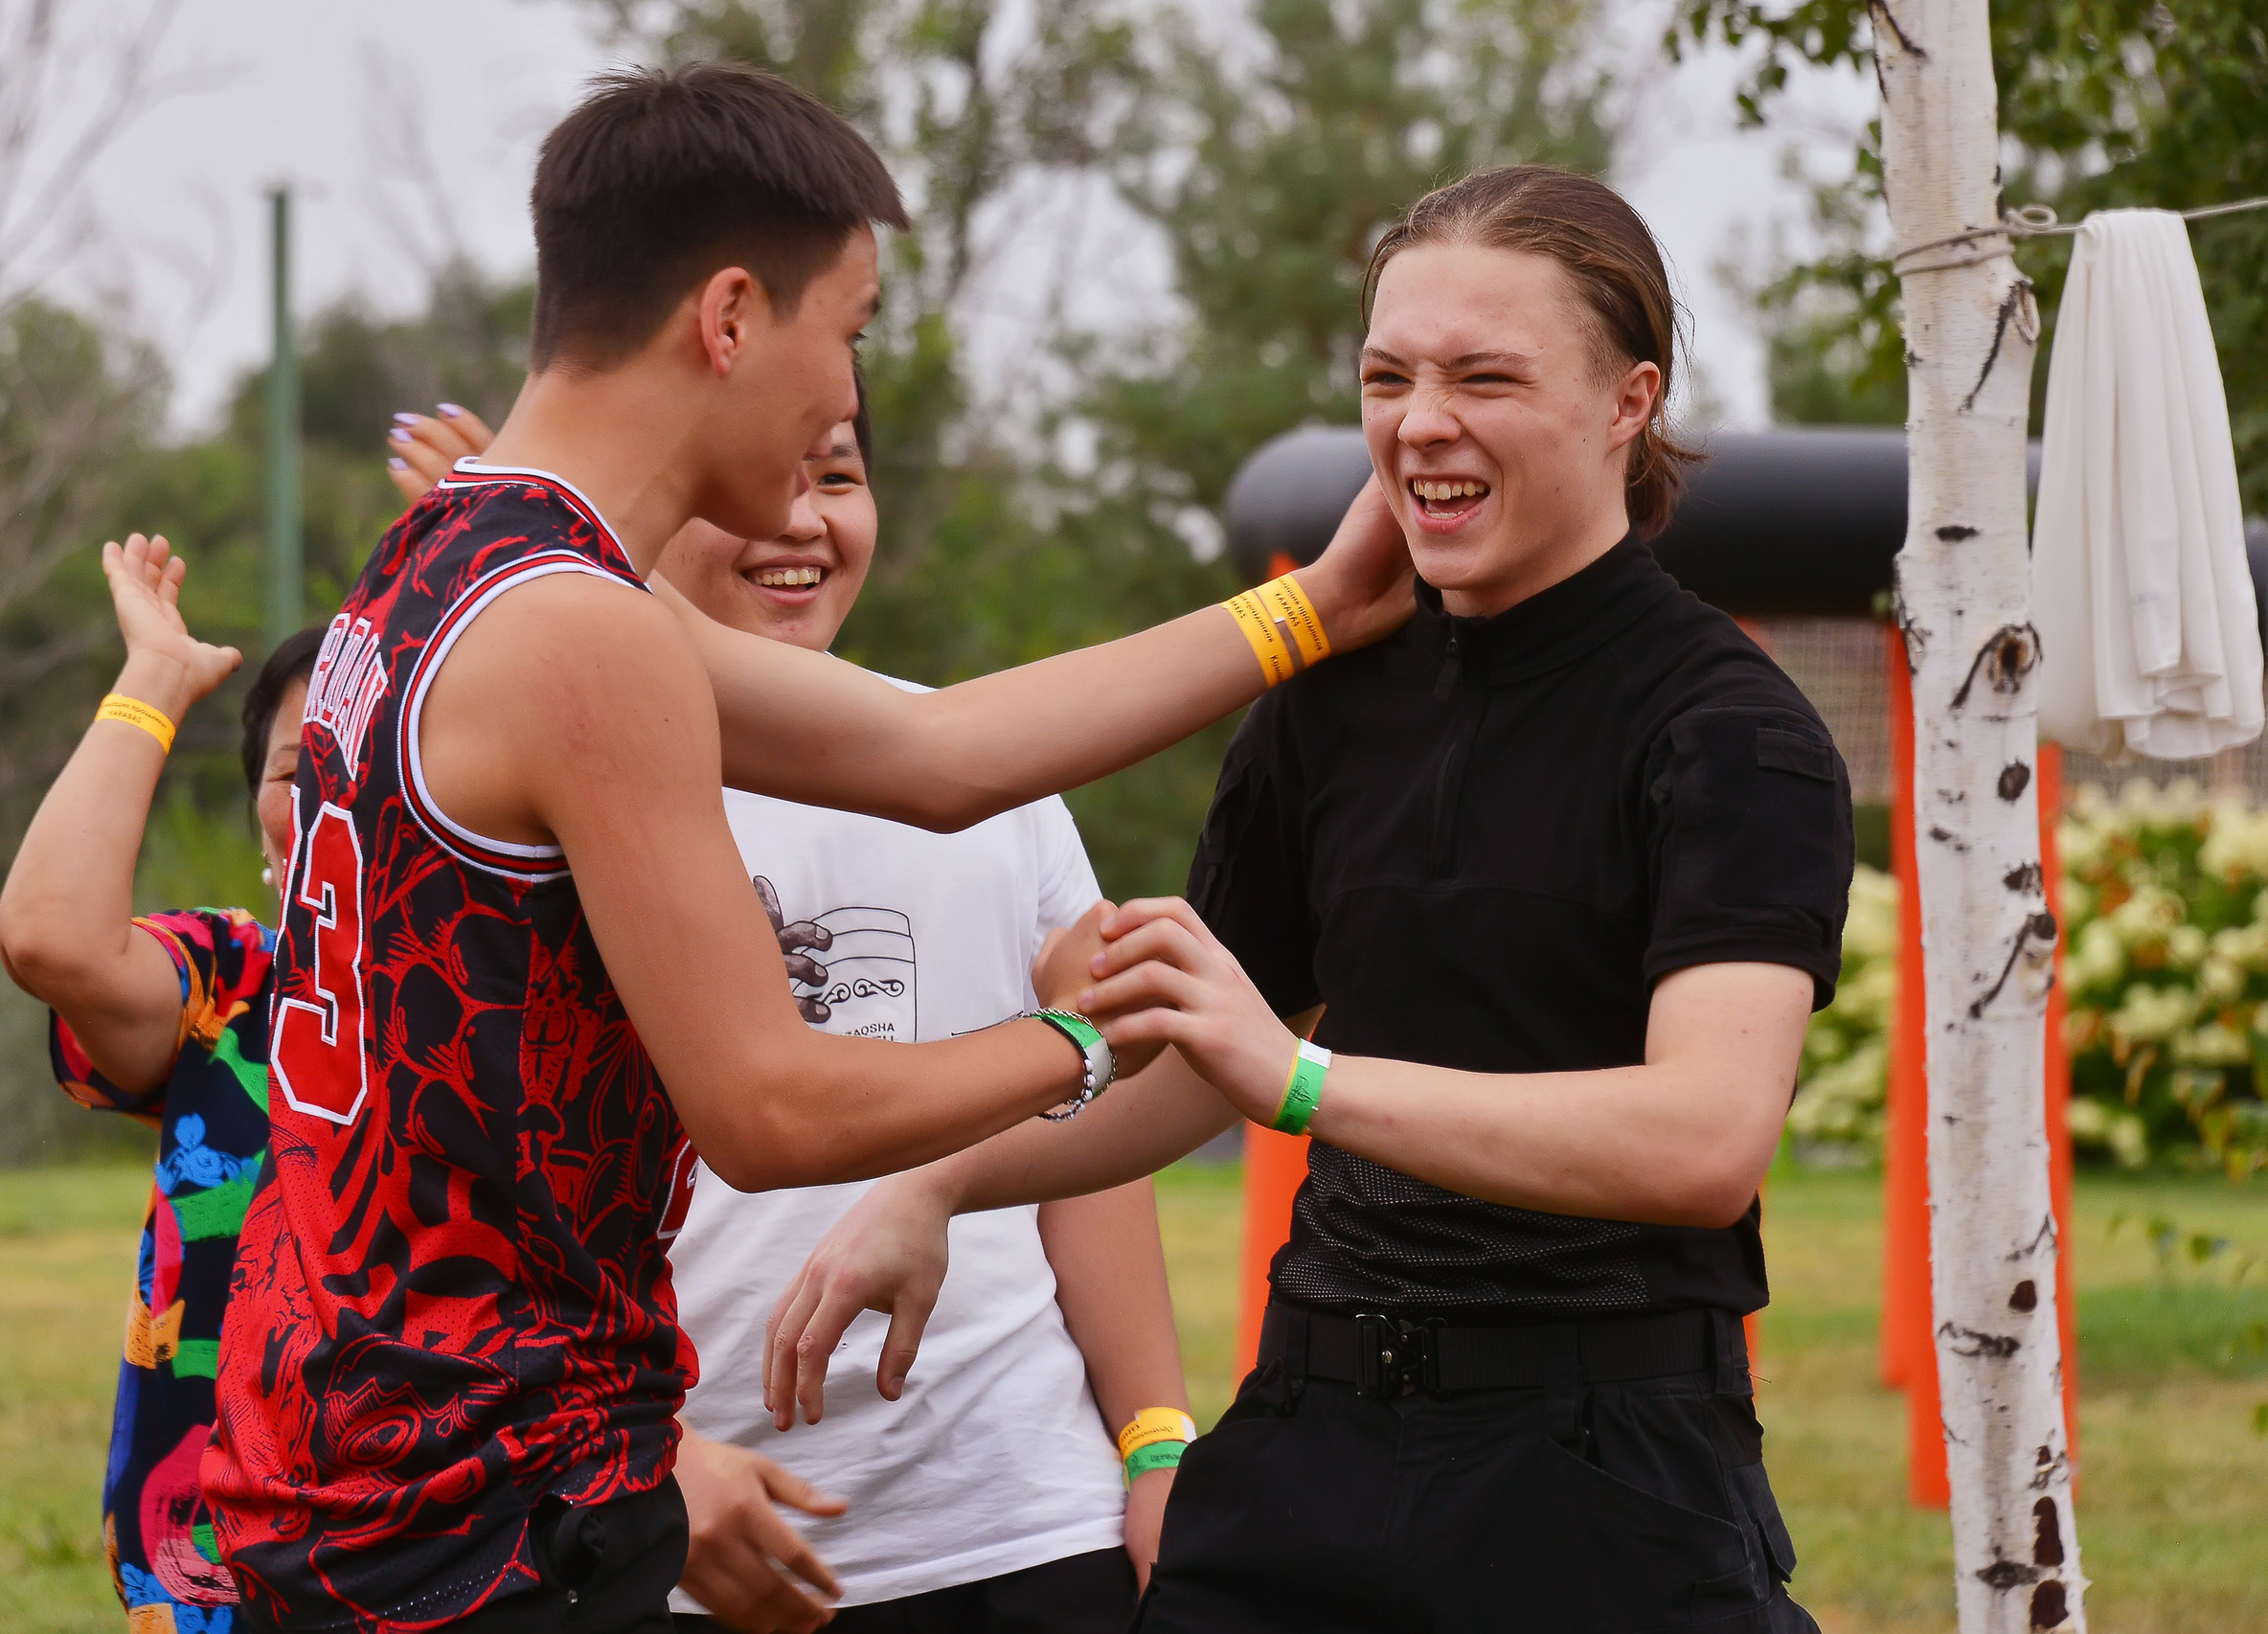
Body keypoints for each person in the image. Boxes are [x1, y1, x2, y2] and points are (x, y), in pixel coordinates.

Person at [200, 63, 1412, 1634]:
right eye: (846, 329)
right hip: (475, 1511)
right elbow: (768, 1105)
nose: (847, 395)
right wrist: (1084, 1040)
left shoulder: (451, 558)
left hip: (338, 1448)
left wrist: (1308, 609)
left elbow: (936, 754)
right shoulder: (581, 633)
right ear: (726, 319)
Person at [764, 166, 1850, 1633]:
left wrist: (1299, 1079)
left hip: (1601, 1471)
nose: (1421, 423)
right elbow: (1196, 1072)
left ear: (1627, 399)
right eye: (1388, 376)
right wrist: (946, 1181)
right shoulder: (1325, 703)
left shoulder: (1731, 728)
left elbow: (1701, 1141)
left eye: (1484, 376)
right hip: (1307, 1433)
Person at [390, 397, 1188, 1633]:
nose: (804, 524)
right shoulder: (567, 777)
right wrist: (655, 1459)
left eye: (842, 478)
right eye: (761, 487)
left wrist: (1150, 1440)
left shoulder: (985, 767)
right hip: (695, 1539)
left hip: (1020, 1527)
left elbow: (1093, 1122)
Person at [0, 533, 321, 1634]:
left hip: (465, 1557)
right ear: (259, 824)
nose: (332, 794)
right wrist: (155, 681)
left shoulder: (521, 1002)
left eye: (372, 759)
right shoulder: (230, 985)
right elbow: (52, 936)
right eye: (296, 771)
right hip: (211, 1580)